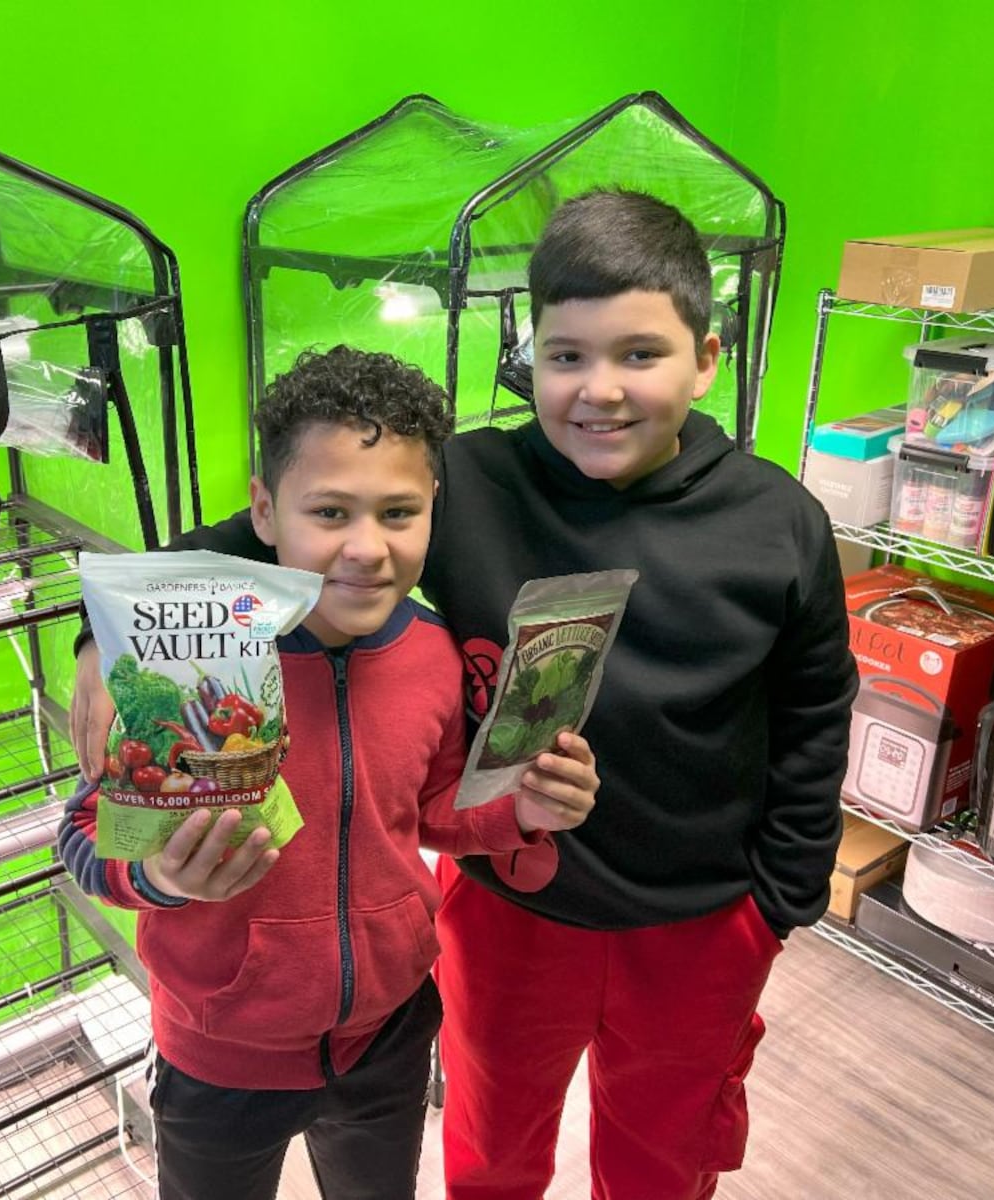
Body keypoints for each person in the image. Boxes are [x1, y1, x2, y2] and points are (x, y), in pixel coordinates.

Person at [72, 188, 857, 1199]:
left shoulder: (779, 523)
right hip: (509, 909)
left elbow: (813, 712)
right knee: (491, 1149)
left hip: (701, 917)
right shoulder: (464, 481)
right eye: (566, 356)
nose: (599, 390)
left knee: (665, 1157)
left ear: (707, 359)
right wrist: (110, 623)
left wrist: (778, 901)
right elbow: (286, 517)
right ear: (530, 356)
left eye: (640, 354)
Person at [58, 345, 600, 1200]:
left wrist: (521, 808)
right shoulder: (199, 664)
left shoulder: (433, 654)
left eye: (397, 512)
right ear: (266, 512)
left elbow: (436, 809)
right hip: (221, 1053)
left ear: (433, 511)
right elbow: (84, 836)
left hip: (389, 1037)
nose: (367, 548)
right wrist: (159, 875)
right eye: (330, 512)